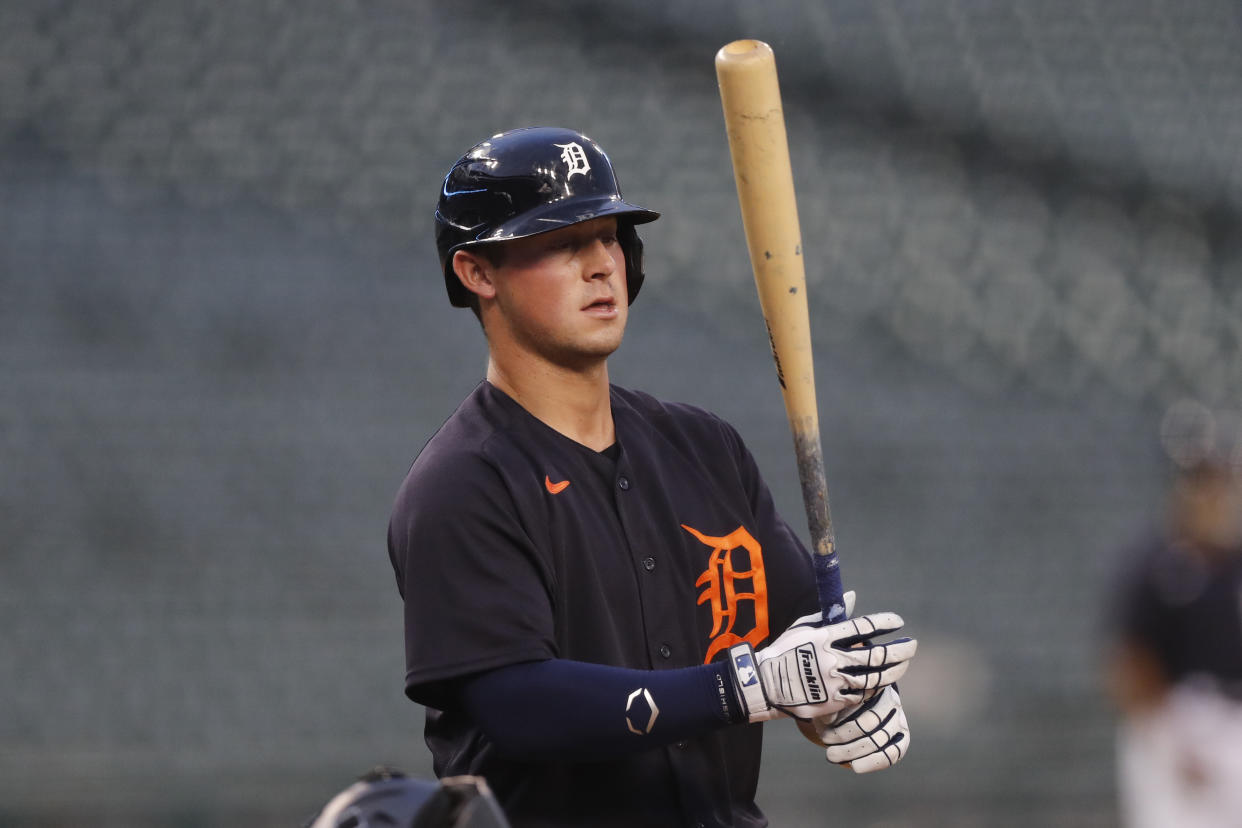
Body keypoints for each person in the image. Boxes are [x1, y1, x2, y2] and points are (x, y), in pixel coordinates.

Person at [388, 126, 918, 828]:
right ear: (478, 272)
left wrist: (842, 695)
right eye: (562, 242)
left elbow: (794, 638)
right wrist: (743, 689)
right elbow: (519, 705)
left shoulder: (703, 448)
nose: (601, 264)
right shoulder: (461, 486)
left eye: (610, 236)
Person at [1106, 404, 1242, 828]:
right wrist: (1169, 739)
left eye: (1216, 481)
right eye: (1198, 482)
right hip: (1173, 718)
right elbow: (1129, 662)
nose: (1209, 494)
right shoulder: (1155, 564)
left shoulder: (1234, 565)